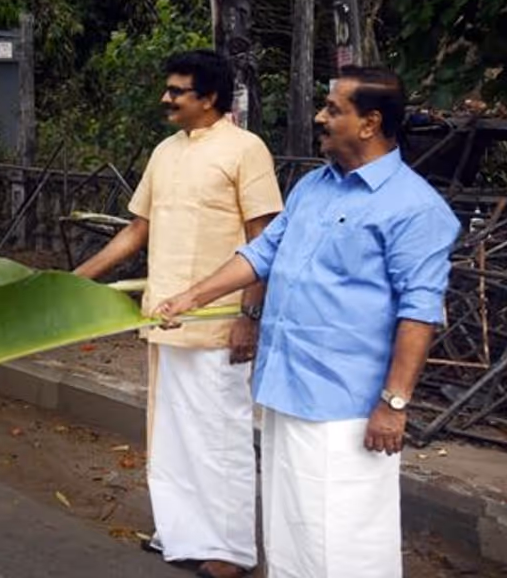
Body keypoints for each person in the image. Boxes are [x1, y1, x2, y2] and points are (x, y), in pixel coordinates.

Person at [154, 67, 461, 578]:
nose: (320, 116)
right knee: (291, 528)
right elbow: (261, 254)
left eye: (333, 108)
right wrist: (191, 295)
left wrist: (394, 404)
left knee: (344, 537)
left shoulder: (414, 207)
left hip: (348, 406)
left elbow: (418, 313)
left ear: (370, 123)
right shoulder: (312, 188)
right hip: (287, 383)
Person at [73, 49, 282, 578]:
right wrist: (77, 278)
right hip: (162, 318)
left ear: (208, 98)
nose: (165, 98)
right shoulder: (165, 151)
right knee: (168, 437)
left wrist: (248, 317)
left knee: (220, 438)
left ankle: (230, 551)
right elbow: (137, 230)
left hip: (218, 323)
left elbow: (264, 241)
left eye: (177, 90)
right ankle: (181, 533)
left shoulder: (246, 149)